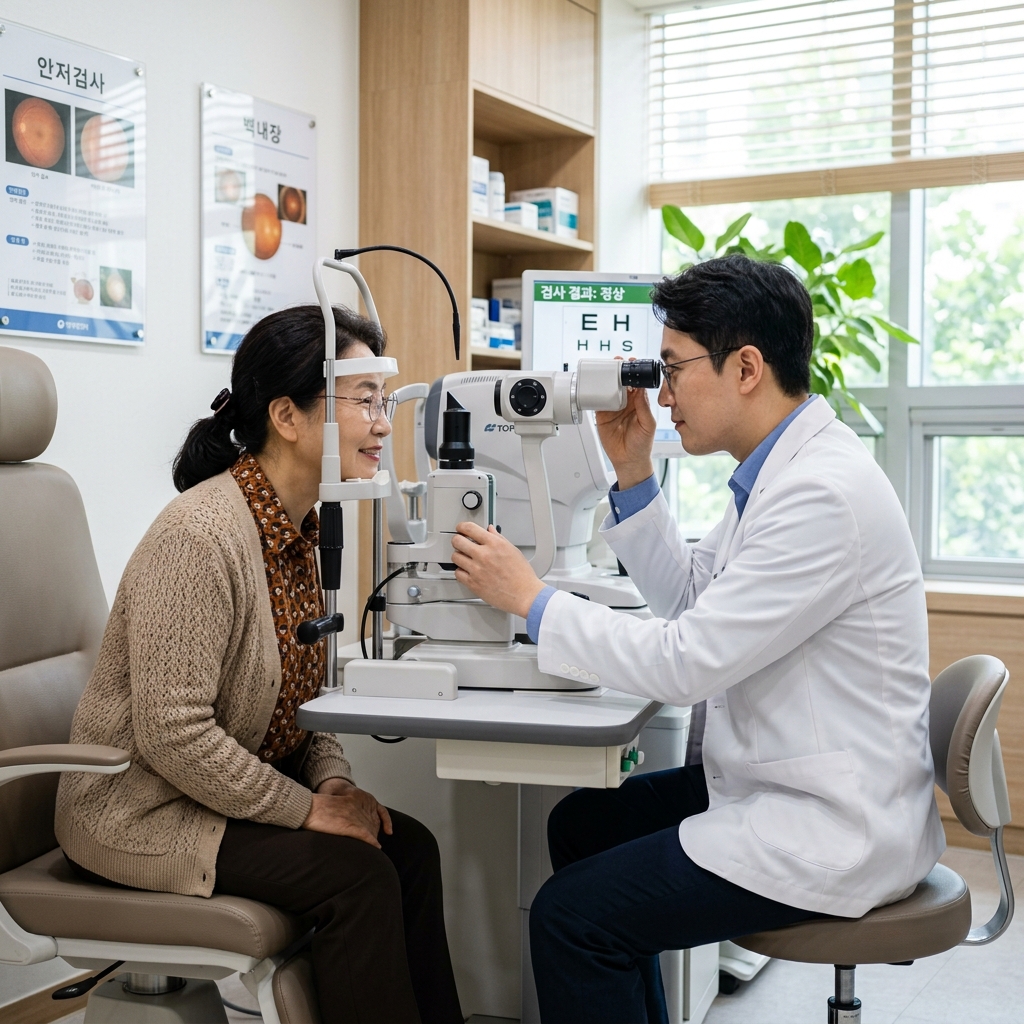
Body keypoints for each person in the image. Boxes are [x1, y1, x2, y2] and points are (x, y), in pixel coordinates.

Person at [449, 255, 945, 1024]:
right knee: (580, 825)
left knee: (571, 919)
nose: (664, 391)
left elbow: (684, 662)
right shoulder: (776, 472)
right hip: (792, 780)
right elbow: (689, 597)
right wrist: (634, 469)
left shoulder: (818, 494)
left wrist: (532, 602)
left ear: (746, 368)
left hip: (831, 822)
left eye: (675, 369)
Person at [55, 305, 463, 1024]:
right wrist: (308, 810)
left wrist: (334, 784)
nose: (382, 423)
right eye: (363, 401)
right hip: (138, 813)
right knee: (359, 877)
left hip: (216, 798)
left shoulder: (300, 530)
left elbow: (307, 702)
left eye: (382, 401)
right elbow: (173, 732)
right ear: (288, 415)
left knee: (409, 847)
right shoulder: (199, 537)